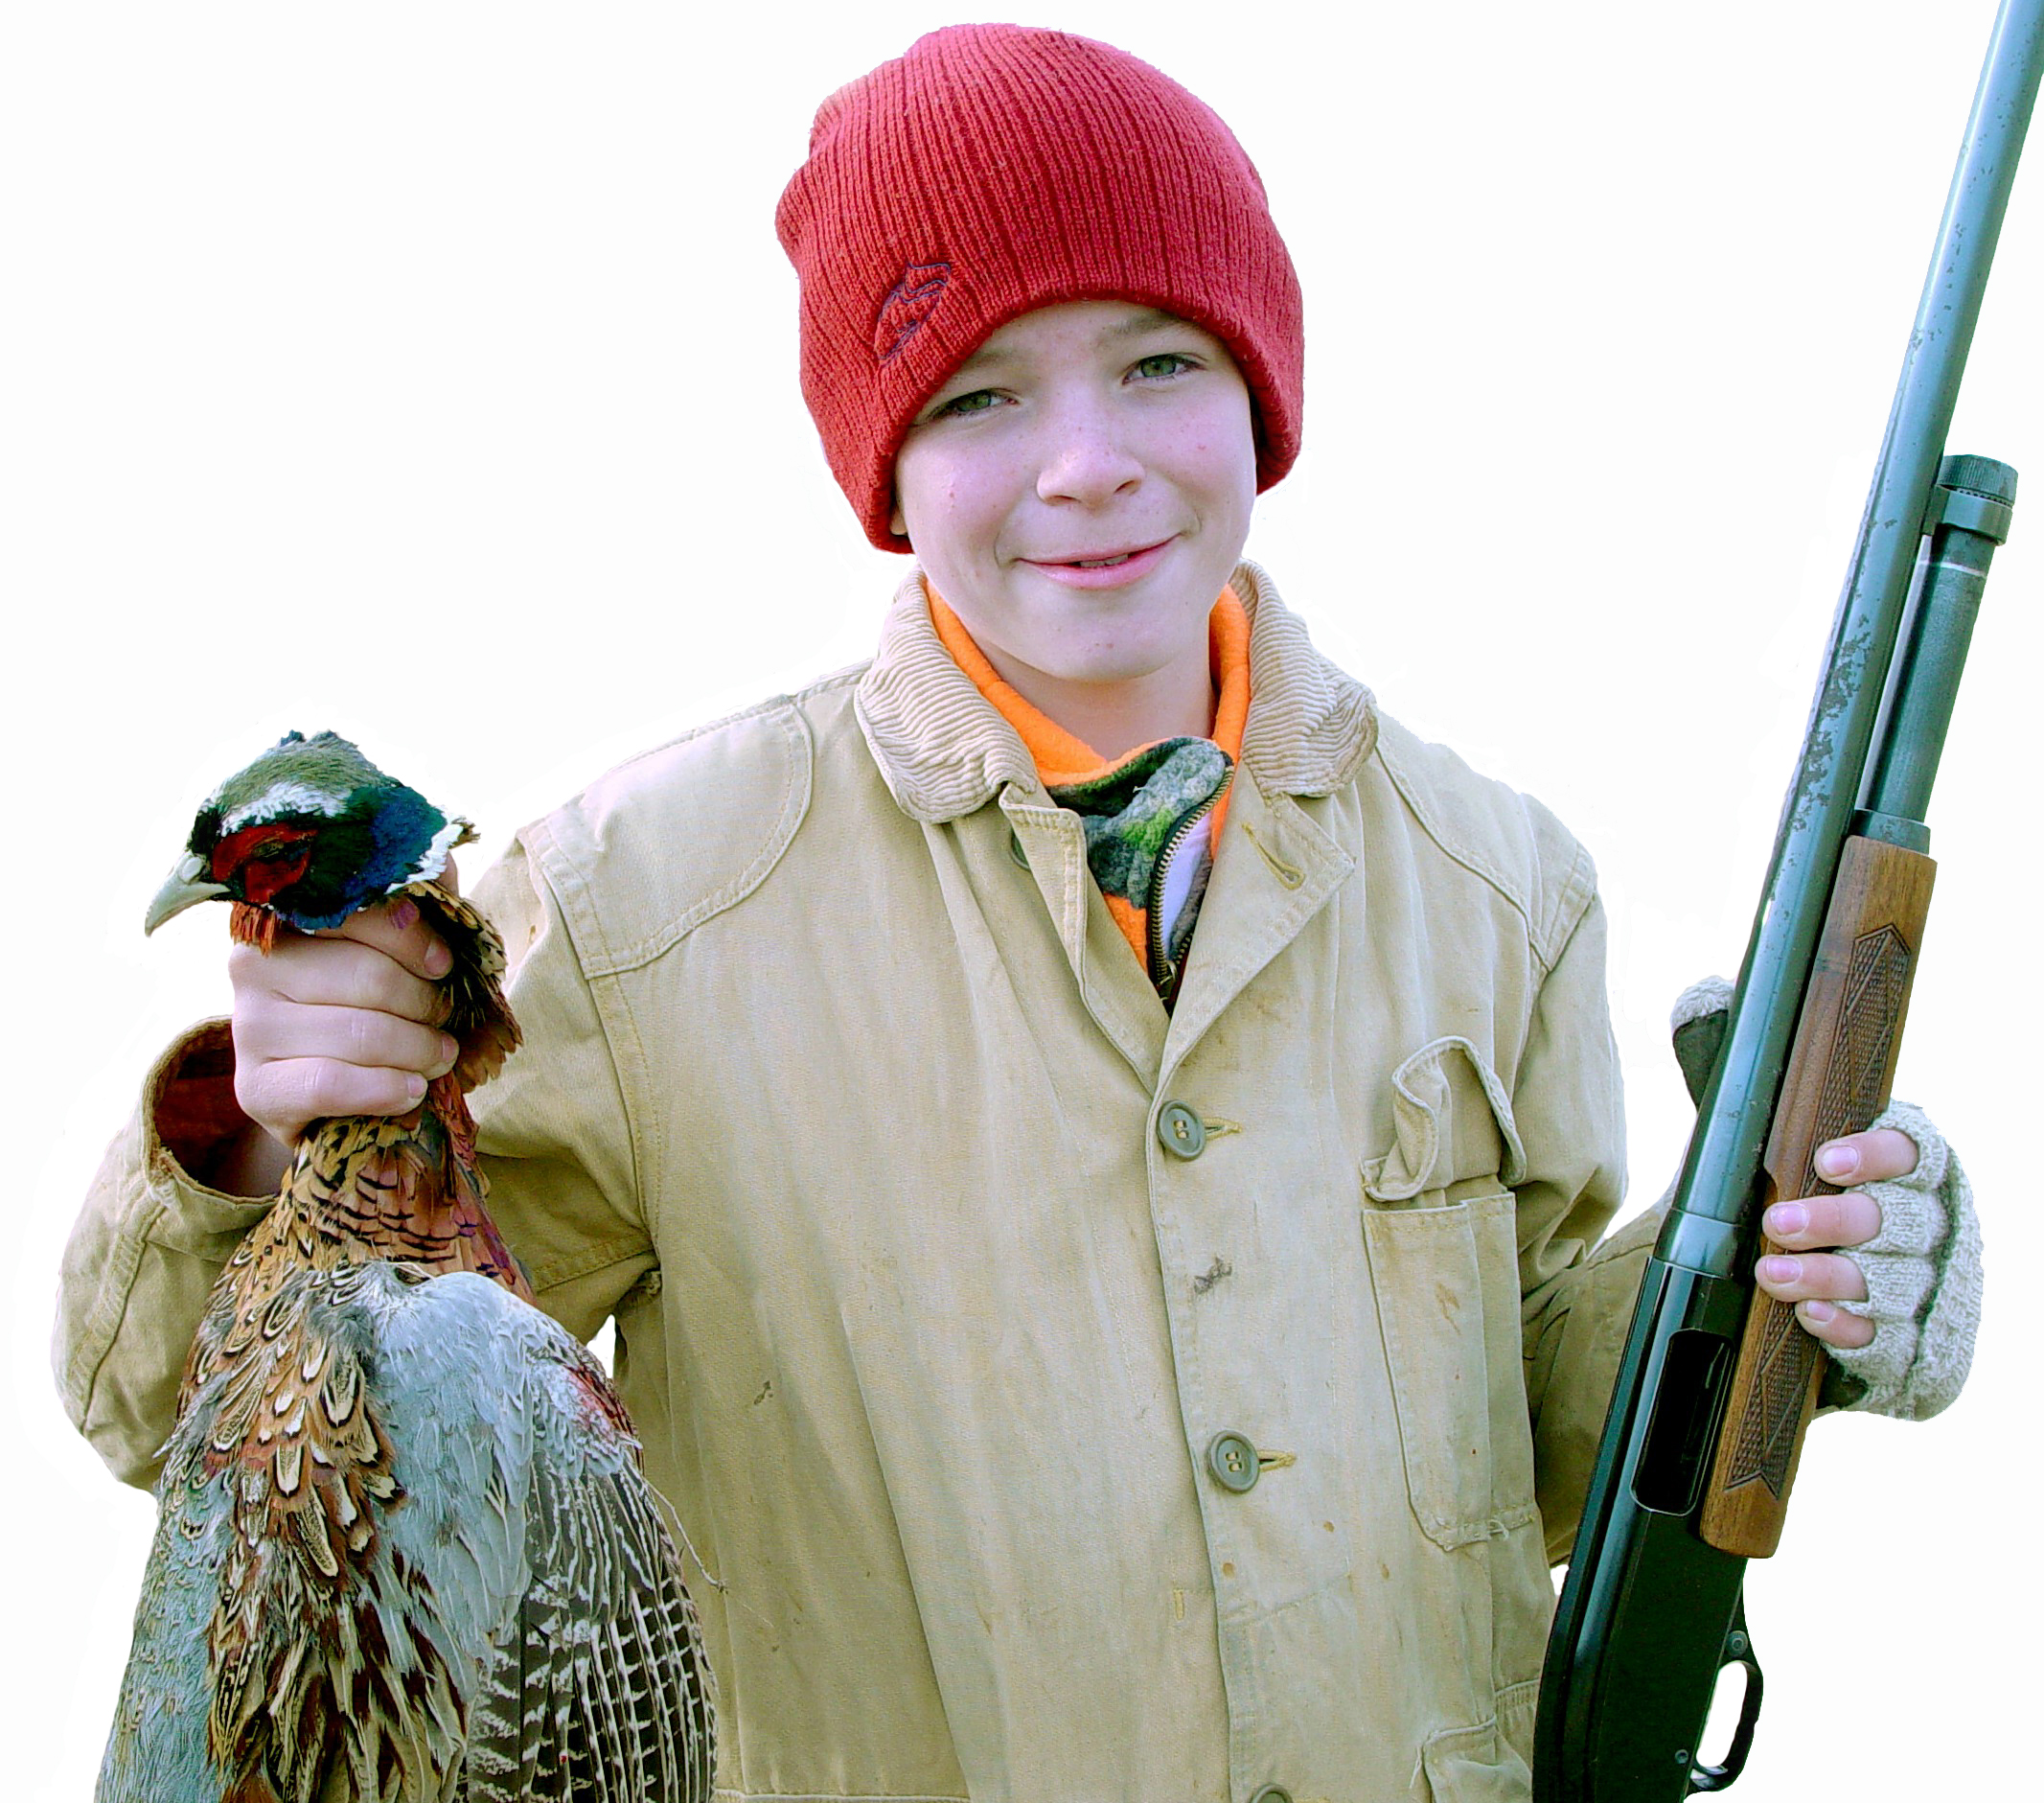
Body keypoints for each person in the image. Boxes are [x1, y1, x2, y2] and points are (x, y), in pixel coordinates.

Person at [56, 24, 1980, 1802]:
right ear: (884, 464)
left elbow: (1541, 1440)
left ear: (1261, 387)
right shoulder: (629, 908)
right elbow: (192, 1428)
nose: (1086, 461)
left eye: (1157, 356)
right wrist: (261, 1144)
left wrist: (1811, 1265)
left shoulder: (1498, 879)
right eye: (977, 392)